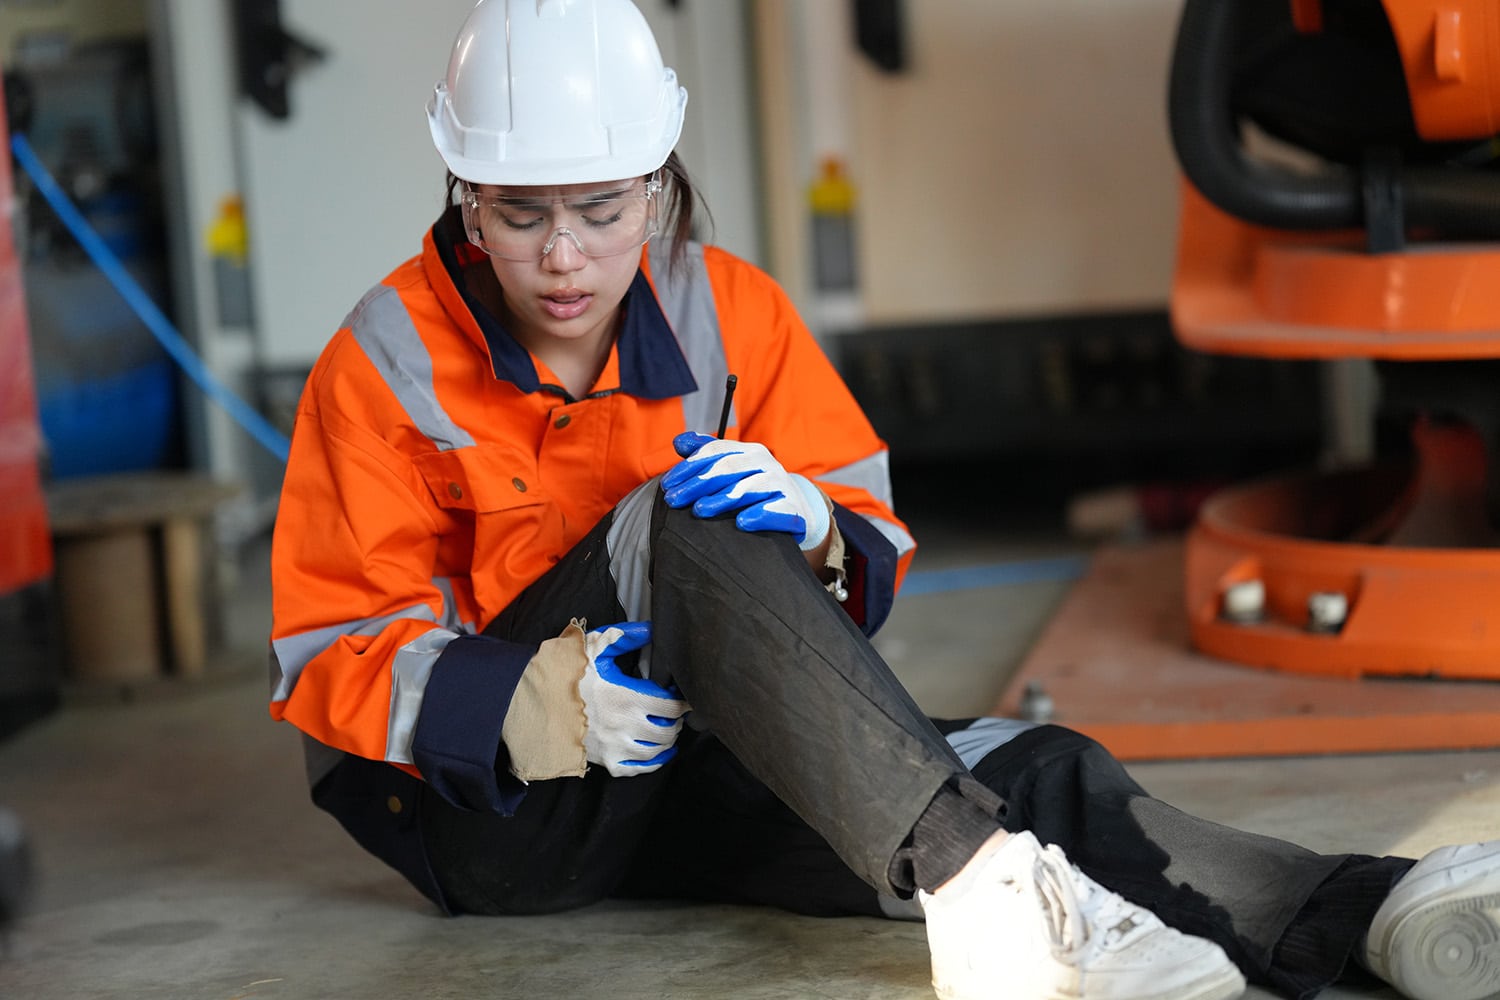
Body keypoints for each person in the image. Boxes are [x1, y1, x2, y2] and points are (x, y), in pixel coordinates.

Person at [267, 2, 1500, 999]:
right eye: (519, 216)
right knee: (684, 517)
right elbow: (328, 645)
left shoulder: (727, 307)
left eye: (603, 210)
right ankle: (995, 914)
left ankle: (1371, 909)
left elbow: (863, 517)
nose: (564, 257)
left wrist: (814, 526)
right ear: (466, 201)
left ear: (658, 182)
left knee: (1025, 764)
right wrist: (536, 706)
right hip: (505, 819)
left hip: (688, 768)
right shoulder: (384, 359)